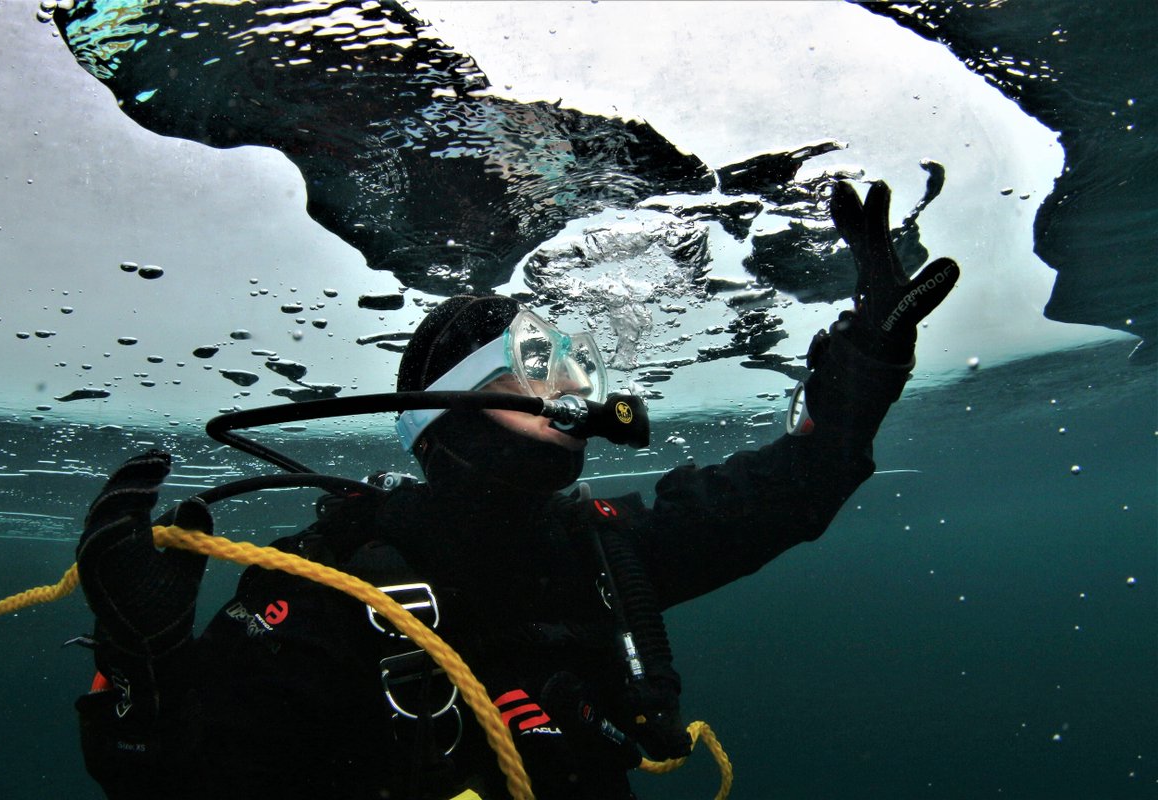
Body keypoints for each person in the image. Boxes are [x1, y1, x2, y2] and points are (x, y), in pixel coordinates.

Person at [72, 181, 959, 800]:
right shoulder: (328, 587)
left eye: (574, 370)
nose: (568, 389)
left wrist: (865, 367)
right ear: (440, 410)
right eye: (533, 371)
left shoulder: (603, 550)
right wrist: (139, 673)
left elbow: (792, 490)